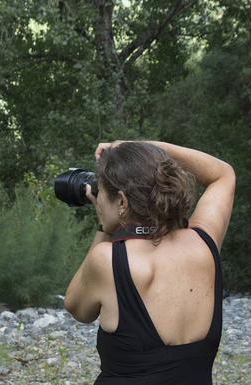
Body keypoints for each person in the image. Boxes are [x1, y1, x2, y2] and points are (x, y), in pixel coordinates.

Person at [63, 140, 235, 384]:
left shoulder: (108, 259)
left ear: (122, 202)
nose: (97, 199)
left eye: (100, 192)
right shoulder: (204, 244)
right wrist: (142, 146)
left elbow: (77, 308)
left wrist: (104, 228)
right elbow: (222, 174)